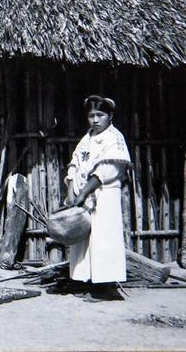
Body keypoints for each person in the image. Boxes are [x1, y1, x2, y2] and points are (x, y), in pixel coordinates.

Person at [64, 95, 131, 301]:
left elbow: (107, 170)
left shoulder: (114, 138)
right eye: (91, 115)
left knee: (104, 239)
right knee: (85, 239)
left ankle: (106, 287)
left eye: (100, 115)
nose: (95, 120)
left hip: (104, 196)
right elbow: (75, 162)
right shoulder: (88, 137)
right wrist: (71, 189)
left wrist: (84, 192)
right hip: (83, 196)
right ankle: (87, 281)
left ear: (110, 116)